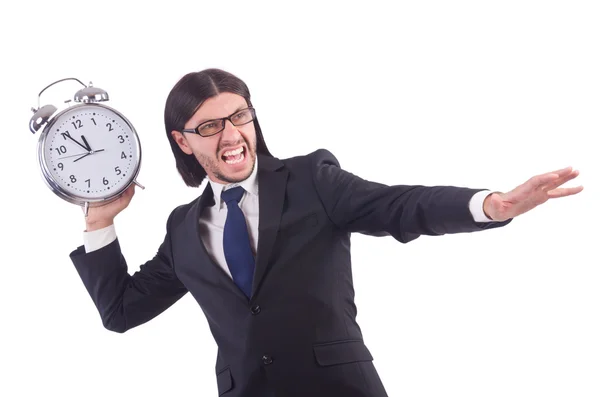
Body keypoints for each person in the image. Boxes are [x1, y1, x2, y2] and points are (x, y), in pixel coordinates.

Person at [69, 68, 583, 397]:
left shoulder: (312, 179)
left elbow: (398, 205)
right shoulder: (183, 229)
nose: (231, 134)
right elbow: (122, 312)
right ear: (182, 141)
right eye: (209, 126)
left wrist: (493, 204)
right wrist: (100, 222)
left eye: (239, 116)